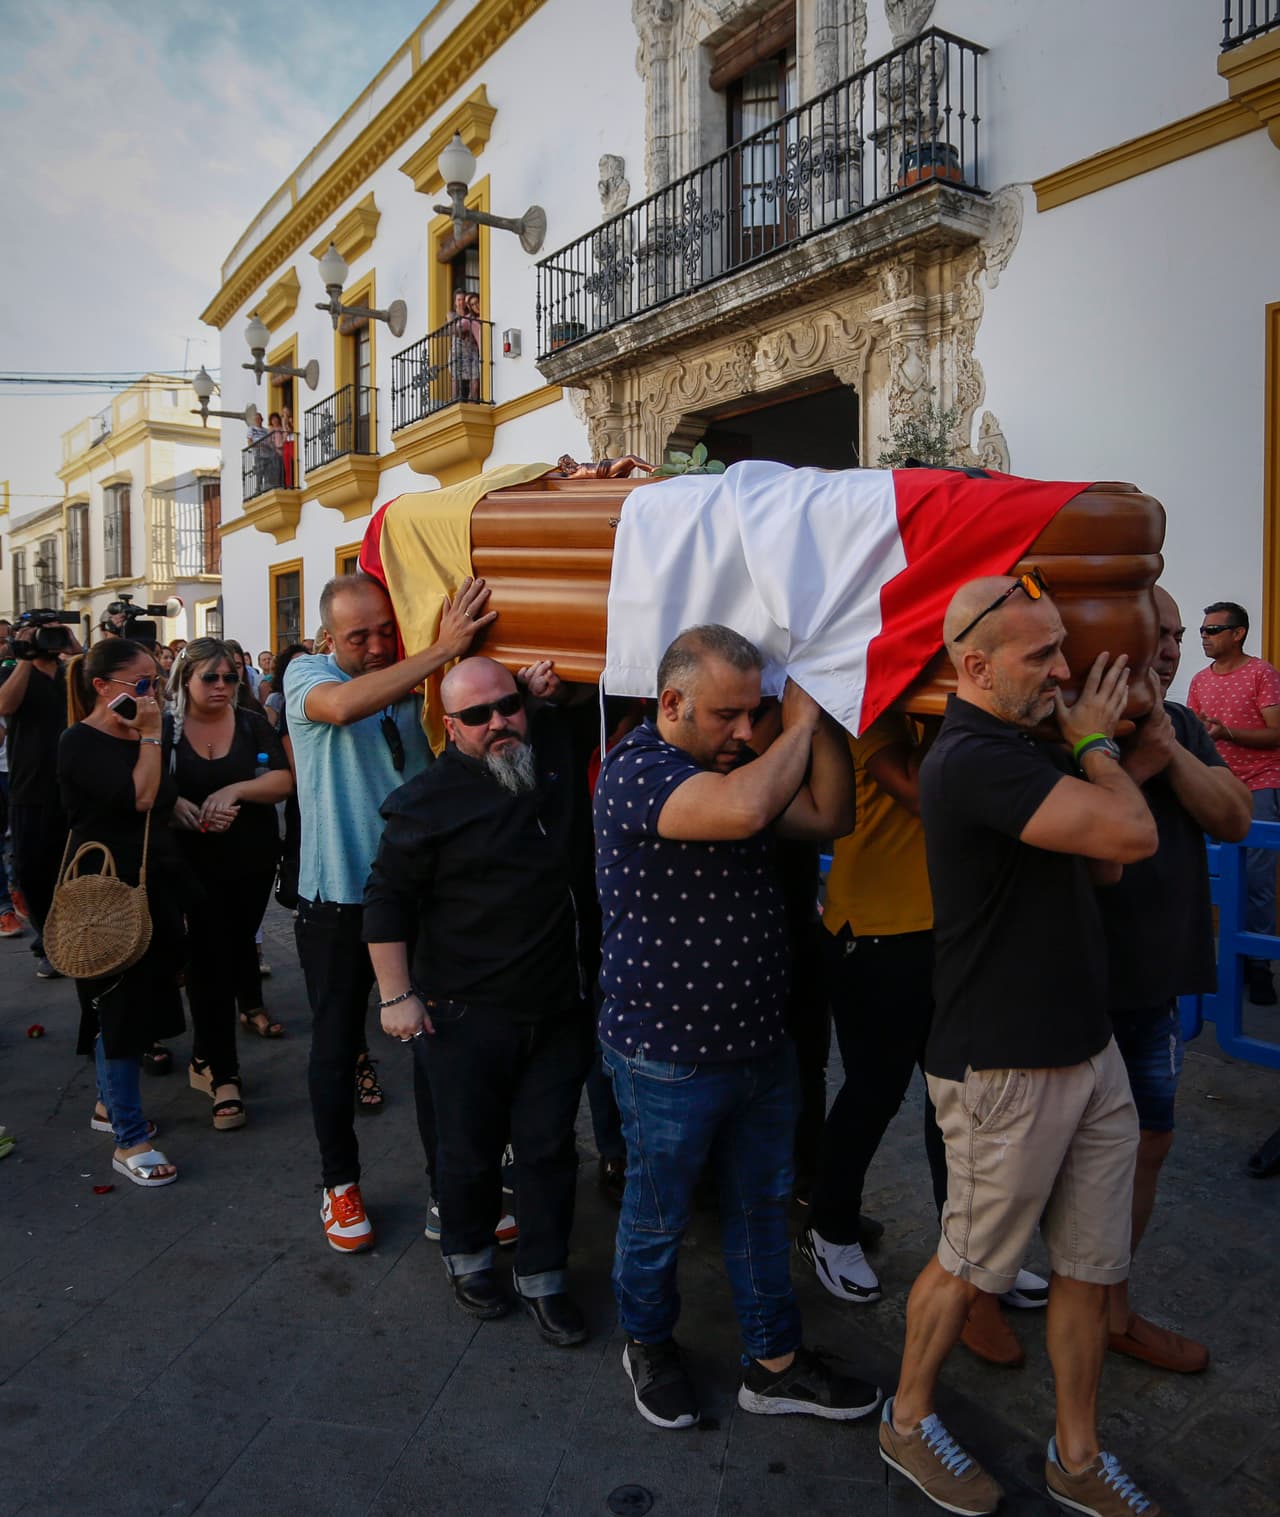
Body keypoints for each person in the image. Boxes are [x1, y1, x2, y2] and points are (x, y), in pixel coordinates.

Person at [879, 575, 1159, 1517]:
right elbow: (1131, 829)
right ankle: (907, 1421)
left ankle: (1077, 1456)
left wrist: (1083, 746)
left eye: (1060, 647)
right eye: (1041, 655)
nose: (1066, 669)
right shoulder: (972, 756)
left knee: (1090, 1266)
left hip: (1087, 1046)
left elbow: (1109, 862)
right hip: (1004, 1064)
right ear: (973, 665)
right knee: (968, 1265)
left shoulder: (1020, 744)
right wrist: (1091, 743)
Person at [595, 623, 882, 1430]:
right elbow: (746, 808)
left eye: (756, 713)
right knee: (658, 1217)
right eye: (728, 715)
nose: (746, 732)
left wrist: (816, 707)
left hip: (760, 1043)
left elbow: (830, 812)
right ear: (671, 701)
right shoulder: (636, 769)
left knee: (762, 1208)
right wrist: (793, 729)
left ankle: (775, 1362)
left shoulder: (741, 758)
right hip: (666, 1058)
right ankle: (647, 1343)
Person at [365, 656, 593, 1343]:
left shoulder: (546, 746)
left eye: (508, 705)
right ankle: (467, 1259)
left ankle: (545, 1276)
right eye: (476, 715)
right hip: (463, 1014)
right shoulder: (424, 799)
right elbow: (386, 899)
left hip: (557, 1007)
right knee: (467, 1151)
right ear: (450, 726)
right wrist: (395, 995)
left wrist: (550, 689)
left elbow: (603, 682)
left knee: (549, 1148)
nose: (498, 723)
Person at [284, 571, 495, 1252]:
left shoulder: (419, 674)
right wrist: (442, 649)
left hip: (417, 897)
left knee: (440, 1048)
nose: (377, 645)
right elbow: (342, 707)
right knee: (337, 1046)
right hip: (337, 901)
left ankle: (449, 1189)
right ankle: (338, 1184)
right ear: (326, 638)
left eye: (386, 629)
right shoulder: (305, 675)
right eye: (358, 635)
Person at [1100, 587, 1252, 1372]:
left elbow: (1233, 817)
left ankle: (1112, 1306)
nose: (1170, 647)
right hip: (1074, 988)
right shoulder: (1071, 728)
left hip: (1155, 986)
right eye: (1154, 632)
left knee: (1151, 1141)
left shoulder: (1183, 723)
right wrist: (1137, 756)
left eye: (1180, 634)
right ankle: (989, 1296)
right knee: (1044, 1160)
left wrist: (1169, 743)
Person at [60, 640, 186, 1187]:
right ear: (102, 687)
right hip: (104, 892)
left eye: (156, 682)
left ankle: (108, 1107)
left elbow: (163, 797)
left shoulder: (143, 732)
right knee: (118, 1008)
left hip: (152, 881)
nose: (151, 694)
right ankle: (129, 1139)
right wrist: (153, 734)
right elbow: (140, 797)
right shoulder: (79, 742)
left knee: (140, 1001)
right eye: (141, 684)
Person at [167, 639, 293, 1122]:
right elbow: (147, 786)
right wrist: (178, 809)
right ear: (186, 679)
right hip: (191, 863)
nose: (222, 686)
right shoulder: (166, 727)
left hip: (251, 861)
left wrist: (235, 789)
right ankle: (224, 1074)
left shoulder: (251, 722)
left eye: (230, 677)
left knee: (234, 948)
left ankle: (205, 1056)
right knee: (208, 960)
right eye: (210, 678)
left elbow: (283, 780)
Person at [1187, 601, 1280, 1004]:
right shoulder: (1198, 680)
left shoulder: (1262, 673)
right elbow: (1192, 735)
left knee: (1258, 882)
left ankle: (1258, 968)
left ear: (1238, 633)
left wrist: (1227, 732)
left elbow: (1276, 733)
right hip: (1215, 788)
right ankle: (1225, 963)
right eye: (1203, 631)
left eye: (1213, 630)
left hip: (1260, 784)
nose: (1204, 637)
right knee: (1213, 879)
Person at [0, 617, 80, 978]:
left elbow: (98, 691)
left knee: (75, 868)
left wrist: (75, 649)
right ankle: (47, 941)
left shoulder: (71, 670)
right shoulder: (14, 671)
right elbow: (5, 706)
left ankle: (73, 938)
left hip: (76, 786)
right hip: (30, 787)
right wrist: (25, 656)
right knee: (33, 870)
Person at [449, 289, 480, 402]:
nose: (461, 302)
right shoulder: (452, 314)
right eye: (459, 300)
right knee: (456, 378)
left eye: (463, 300)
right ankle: (455, 402)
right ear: (455, 302)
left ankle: (471, 402)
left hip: (472, 350)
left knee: (474, 377)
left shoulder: (470, 316)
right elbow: (455, 331)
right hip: (457, 350)